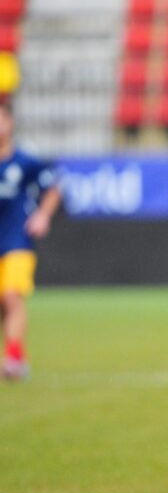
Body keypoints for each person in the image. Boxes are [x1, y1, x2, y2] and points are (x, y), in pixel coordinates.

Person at [0, 97, 61, 381]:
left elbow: (52, 188)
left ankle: (14, 358)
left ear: (10, 123)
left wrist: (42, 216)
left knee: (12, 295)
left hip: (16, 241)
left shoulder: (25, 161)